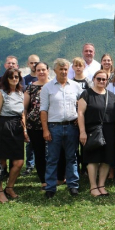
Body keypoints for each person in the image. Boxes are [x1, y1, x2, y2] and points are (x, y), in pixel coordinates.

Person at [41, 59, 83, 198]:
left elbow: (81, 106)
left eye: (66, 69)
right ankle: (51, 187)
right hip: (54, 127)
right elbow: (43, 110)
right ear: (55, 70)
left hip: (72, 126)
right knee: (52, 158)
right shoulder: (47, 88)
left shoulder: (76, 86)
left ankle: (73, 185)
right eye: (61, 69)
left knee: (72, 157)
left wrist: (79, 116)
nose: (64, 72)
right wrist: (45, 129)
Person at [0, 68, 28, 203]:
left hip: (17, 127)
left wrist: (25, 131)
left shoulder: (20, 93)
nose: (14, 79)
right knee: (2, 162)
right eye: (11, 77)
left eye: (16, 77)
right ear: (6, 79)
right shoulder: (1, 93)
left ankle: (9, 187)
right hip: (3, 126)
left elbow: (22, 113)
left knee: (18, 162)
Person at [78, 70, 115, 197]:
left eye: (104, 79)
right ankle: (93, 186)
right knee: (93, 159)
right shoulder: (86, 94)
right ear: (94, 79)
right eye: (99, 79)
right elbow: (80, 114)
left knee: (106, 159)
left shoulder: (111, 96)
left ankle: (101, 185)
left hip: (109, 130)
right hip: (92, 130)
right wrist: (82, 131)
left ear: (107, 81)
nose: (101, 81)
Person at [24, 61, 50, 190]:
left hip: (52, 123)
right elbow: (24, 108)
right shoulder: (30, 87)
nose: (41, 72)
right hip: (34, 126)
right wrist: (24, 126)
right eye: (38, 70)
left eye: (43, 69)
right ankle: (43, 180)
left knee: (53, 153)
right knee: (39, 153)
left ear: (48, 71)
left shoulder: (53, 86)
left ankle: (56, 176)